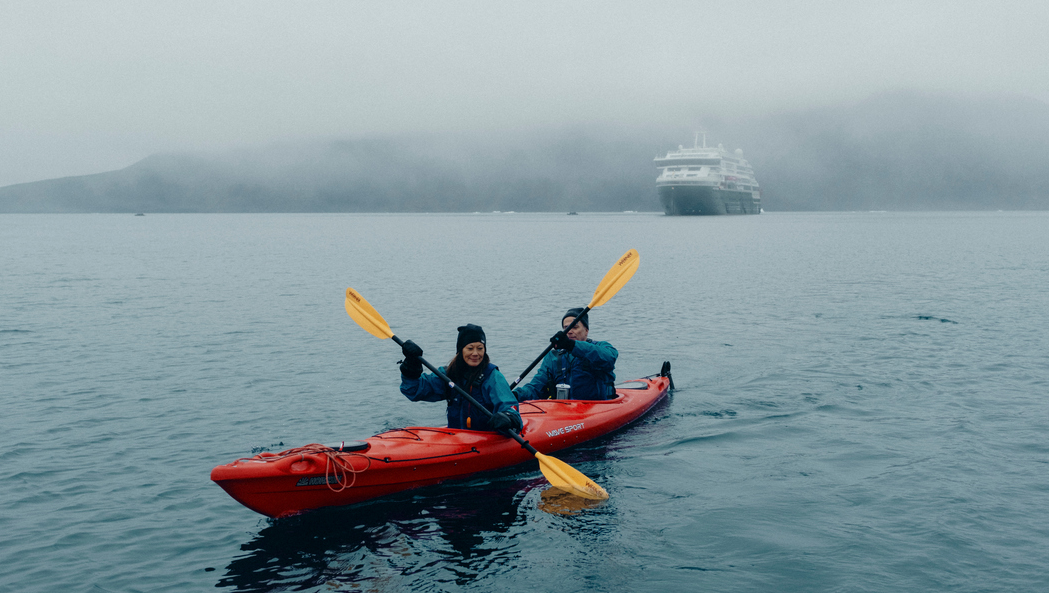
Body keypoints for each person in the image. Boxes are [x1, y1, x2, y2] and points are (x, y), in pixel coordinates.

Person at [399, 323, 523, 432]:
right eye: (470, 348)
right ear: (460, 350)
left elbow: (509, 407)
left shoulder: (493, 377)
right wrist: (412, 365)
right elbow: (413, 390)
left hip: (486, 440)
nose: (475, 353)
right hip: (457, 438)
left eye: (480, 348)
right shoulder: (449, 375)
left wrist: (508, 418)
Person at [514, 307, 618, 402]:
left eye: (574, 327)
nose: (569, 331)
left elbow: (609, 358)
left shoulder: (602, 347)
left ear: (586, 331)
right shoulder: (553, 356)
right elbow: (536, 387)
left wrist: (572, 345)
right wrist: (516, 395)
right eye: (566, 328)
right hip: (563, 411)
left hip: (597, 408)